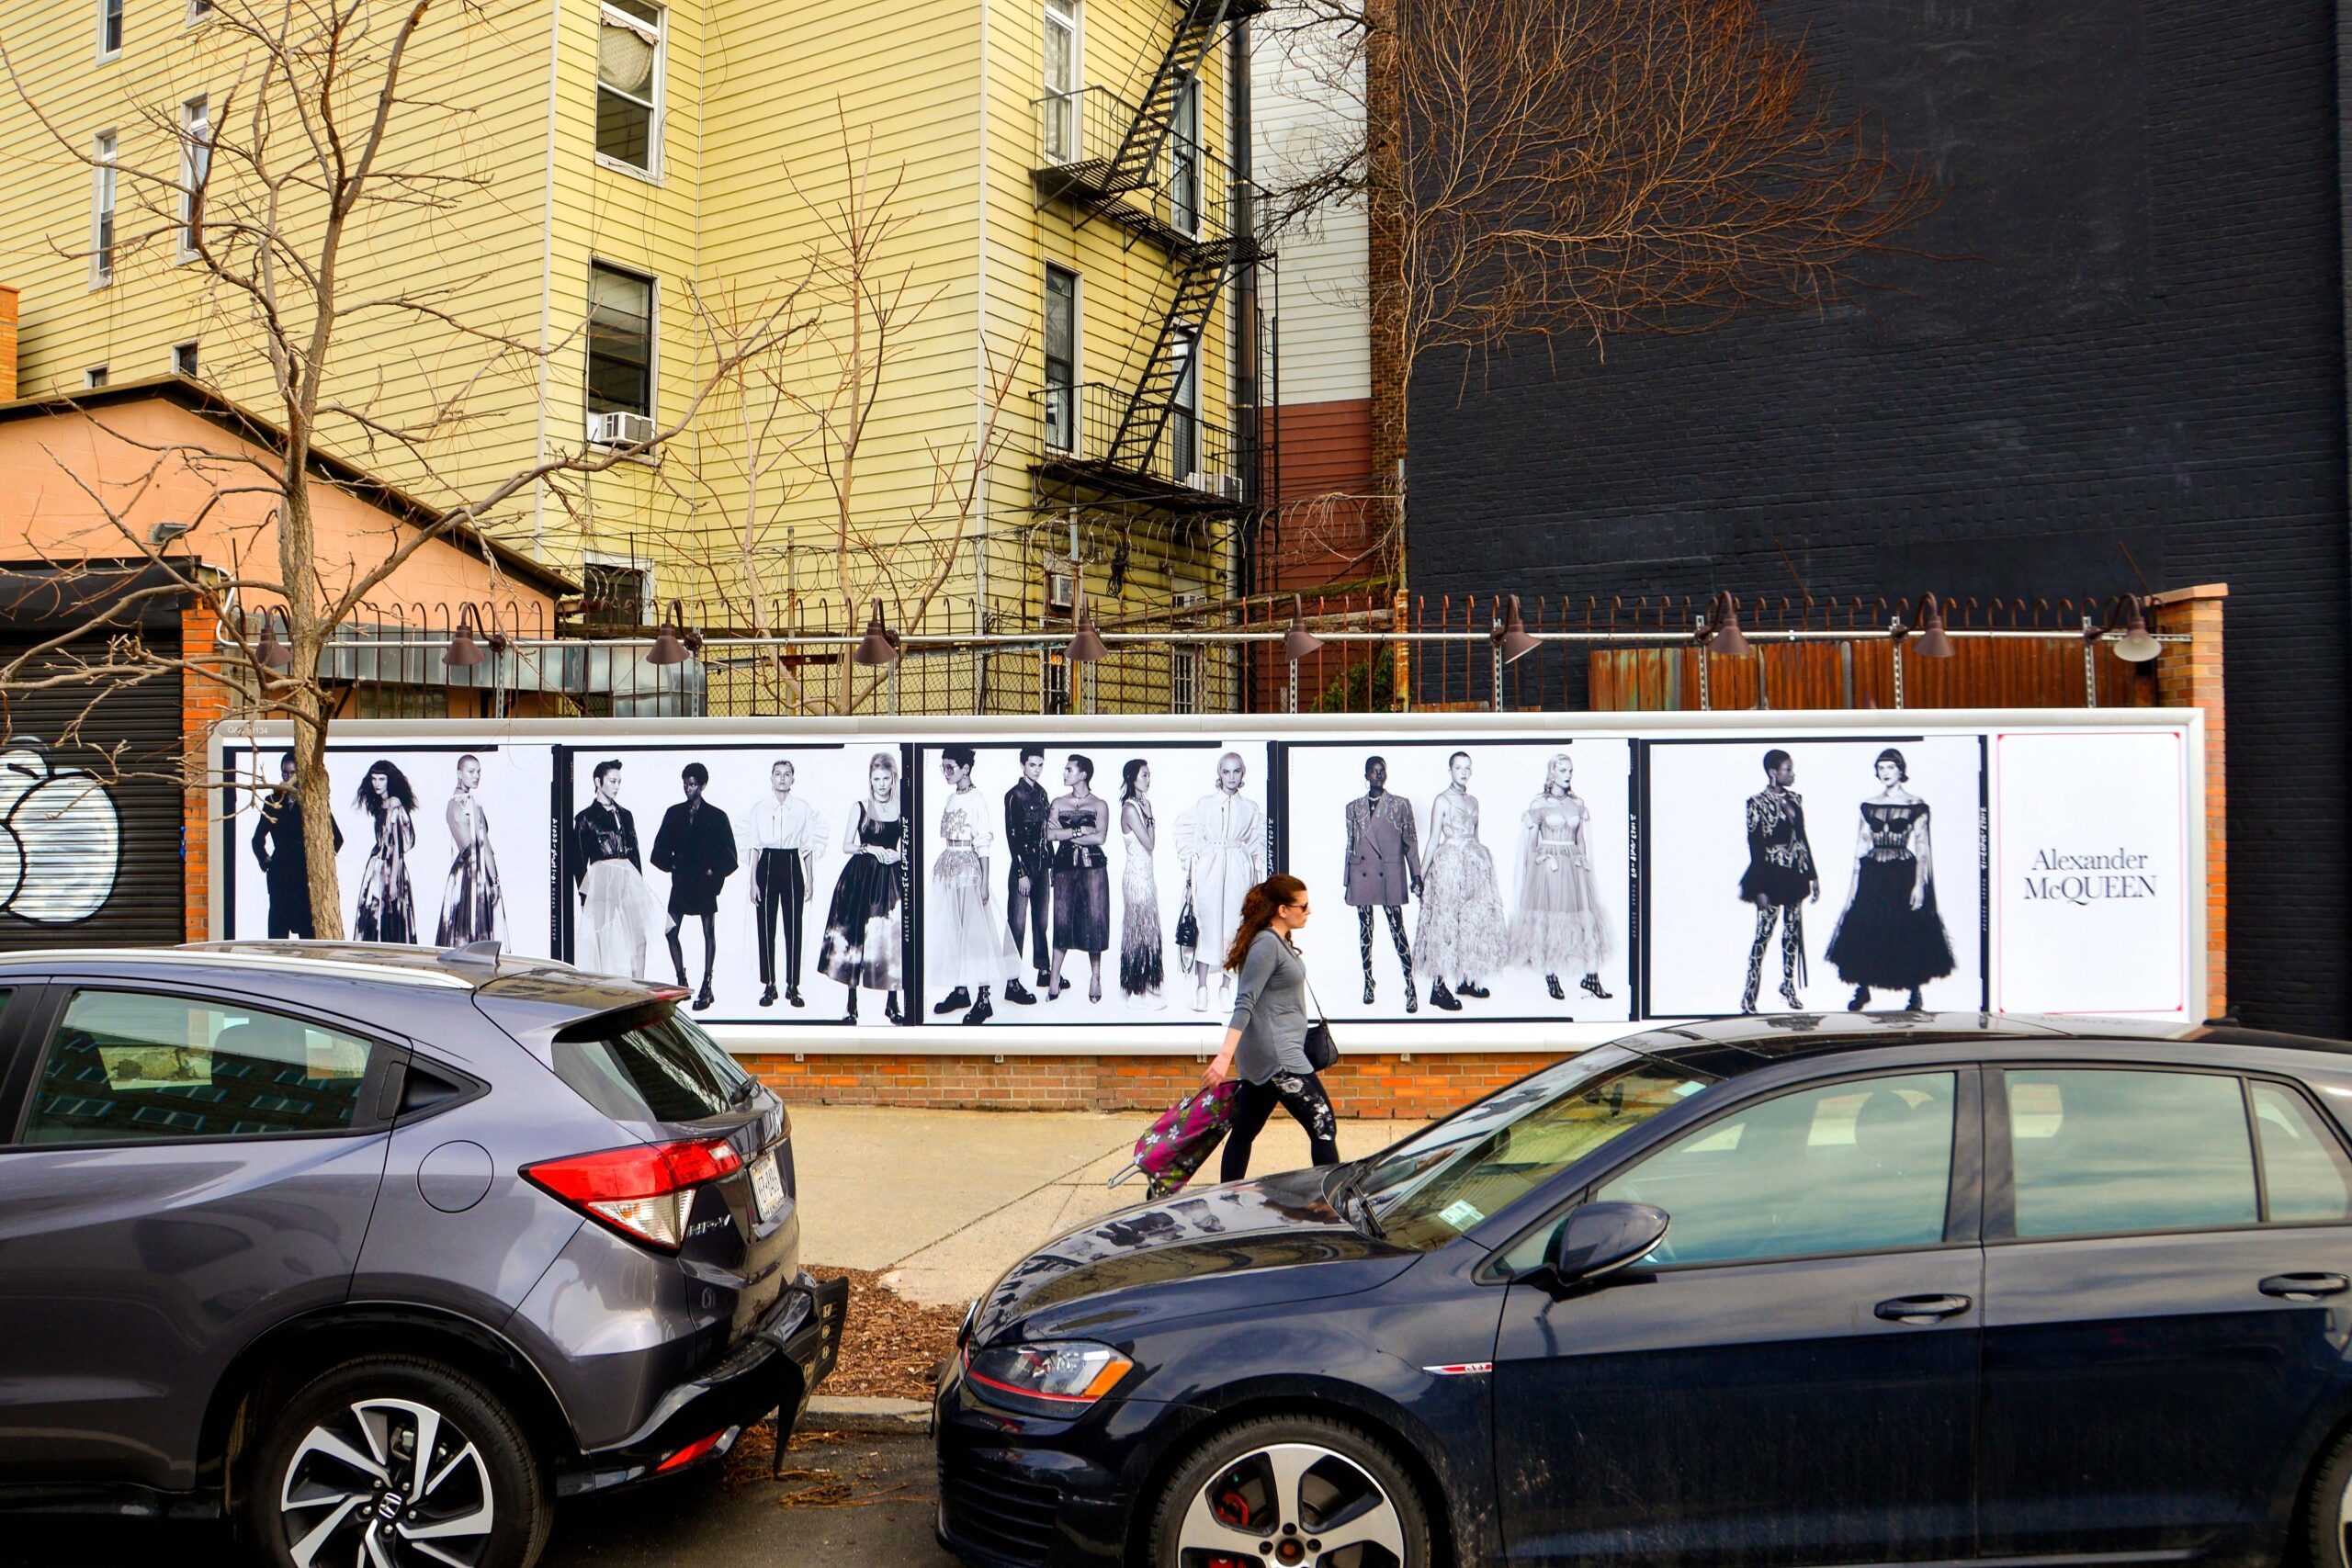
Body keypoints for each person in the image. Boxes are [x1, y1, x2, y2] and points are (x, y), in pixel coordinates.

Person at [1204, 874, 1339, 1181]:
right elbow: (1244, 1002)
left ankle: (1229, 1197)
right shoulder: (1266, 944)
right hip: (1281, 1058)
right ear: (1282, 909)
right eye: (1303, 906)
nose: (1309, 912)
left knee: (1243, 1132)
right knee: (1323, 1124)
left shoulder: (1277, 941)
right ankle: (1331, 1205)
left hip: (1270, 1056)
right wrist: (1224, 1058)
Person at [1824, 748, 1955, 1011]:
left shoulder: (1915, 805)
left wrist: (1920, 885)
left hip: (1901, 874)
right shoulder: (1869, 804)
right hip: (1873, 874)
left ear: (1901, 770)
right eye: (1881, 768)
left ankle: (1914, 992)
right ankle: (1863, 988)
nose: (1885, 773)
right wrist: (1853, 887)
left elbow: (1922, 849)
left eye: (1890, 768)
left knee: (1906, 930)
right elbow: (1860, 847)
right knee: (1866, 928)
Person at [1508, 751, 1611, 1003]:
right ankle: (1550, 972)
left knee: (1584, 920)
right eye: (1563, 770)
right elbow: (1531, 846)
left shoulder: (1577, 804)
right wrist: (1535, 868)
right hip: (1548, 868)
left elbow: (1580, 840)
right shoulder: (1538, 805)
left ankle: (1591, 975)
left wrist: (1584, 866)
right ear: (1552, 773)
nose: (1568, 776)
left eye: (1570, 771)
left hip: (1573, 866)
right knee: (1551, 920)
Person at [1413, 750, 1508, 1011]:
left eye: (1468, 768)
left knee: (1473, 921)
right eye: (1458, 767)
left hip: (1474, 863)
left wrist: (1483, 869)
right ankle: (1438, 987)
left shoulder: (1474, 802)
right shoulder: (1442, 800)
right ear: (1450, 769)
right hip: (1449, 865)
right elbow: (1433, 839)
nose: (1463, 772)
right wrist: (1420, 875)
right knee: (1445, 922)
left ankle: (1467, 979)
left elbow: (1476, 836)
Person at [817, 750, 908, 1024]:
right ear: (870, 779)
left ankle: (893, 1004)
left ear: (893, 779)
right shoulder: (859, 807)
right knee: (856, 937)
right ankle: (851, 1004)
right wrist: (870, 848)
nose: (881, 784)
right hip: (860, 878)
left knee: (890, 940)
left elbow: (913, 845)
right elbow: (846, 845)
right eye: (876, 778)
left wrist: (899, 855)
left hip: (890, 880)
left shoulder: (902, 808)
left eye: (885, 778)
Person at [1176, 751, 1265, 1013]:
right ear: (1219, 774)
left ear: (1243, 774)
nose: (1231, 777)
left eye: (1236, 771)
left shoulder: (1250, 808)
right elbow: (1194, 843)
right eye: (1226, 772)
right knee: (1206, 927)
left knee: (1233, 929)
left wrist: (1256, 882)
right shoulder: (1205, 805)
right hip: (1209, 869)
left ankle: (1226, 988)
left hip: (1238, 870)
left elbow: (1255, 846)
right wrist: (1192, 880)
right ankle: (1201, 987)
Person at [929, 746, 1008, 1025]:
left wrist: (985, 882)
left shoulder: (977, 799)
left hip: (968, 869)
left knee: (976, 934)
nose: (947, 773)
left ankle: (983, 998)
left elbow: (983, 843)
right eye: (944, 768)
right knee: (955, 930)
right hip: (949, 868)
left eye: (951, 767)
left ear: (966, 768)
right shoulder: (951, 798)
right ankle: (961, 990)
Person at [650, 761, 737, 1010]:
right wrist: (672, 865)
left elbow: (730, 854)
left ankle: (707, 985)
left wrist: (713, 871)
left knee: (708, 933)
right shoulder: (674, 813)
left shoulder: (717, 816)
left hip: (705, 883)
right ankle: (681, 981)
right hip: (681, 883)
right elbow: (658, 850)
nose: (688, 788)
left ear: (703, 785)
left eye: (693, 784)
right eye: (685, 784)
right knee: (670, 932)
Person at [1739, 748, 1819, 1012]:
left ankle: (1788, 985)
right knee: (1763, 935)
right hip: (1770, 873)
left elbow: (1803, 837)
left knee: (1792, 933)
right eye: (1787, 769)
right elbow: (1755, 845)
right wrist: (1760, 888)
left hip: (1795, 873)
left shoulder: (1796, 798)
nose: (1792, 774)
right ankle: (1749, 993)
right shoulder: (1756, 802)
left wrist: (1813, 875)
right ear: (1773, 772)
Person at [741, 759, 824, 1008]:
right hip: (767, 863)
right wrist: (753, 881)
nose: (782, 779)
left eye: (787, 774)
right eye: (778, 774)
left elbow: (807, 846)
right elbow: (754, 845)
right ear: (772, 779)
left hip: (790, 863)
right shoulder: (760, 808)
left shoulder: (802, 809)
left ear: (793, 780)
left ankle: (793, 985)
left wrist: (810, 879)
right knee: (766, 927)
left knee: (793, 927)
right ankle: (770, 985)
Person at [1342, 755, 1420, 1010]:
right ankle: (1368, 981)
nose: (1378, 774)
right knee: (1365, 931)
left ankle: (1410, 984)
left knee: (1398, 930)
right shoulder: (1353, 808)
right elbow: (1350, 844)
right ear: (1365, 776)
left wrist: (1416, 875)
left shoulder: (1400, 805)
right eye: (1373, 771)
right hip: (1362, 874)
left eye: (1382, 770)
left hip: (1389, 874)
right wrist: (1347, 880)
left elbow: (1410, 843)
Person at [571, 758, 652, 979]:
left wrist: (640, 888)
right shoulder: (585, 819)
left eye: (619, 782)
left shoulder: (626, 815)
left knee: (639, 937)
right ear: (598, 782)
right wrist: (584, 896)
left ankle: (638, 988)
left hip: (627, 879)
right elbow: (579, 862)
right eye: (612, 781)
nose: (617, 786)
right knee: (602, 938)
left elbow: (634, 853)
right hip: (601, 881)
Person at [251, 751, 341, 939]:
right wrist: (265, 860)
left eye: (293, 773)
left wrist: (319, 865)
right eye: (285, 773)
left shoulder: (312, 802)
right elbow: (257, 839)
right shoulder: (273, 802)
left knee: (307, 934)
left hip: (304, 876)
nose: (288, 777)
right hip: (280, 875)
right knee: (277, 933)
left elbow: (337, 838)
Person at [1045, 754, 1112, 1001]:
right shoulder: (1058, 802)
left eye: (1069, 769)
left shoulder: (1100, 804)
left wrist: (1066, 835)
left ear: (1083, 774)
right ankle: (1054, 979)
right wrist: (1079, 830)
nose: (1064, 773)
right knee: (1061, 920)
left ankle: (1096, 978)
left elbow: (1100, 838)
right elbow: (1050, 835)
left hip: (1094, 868)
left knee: (1095, 919)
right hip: (1063, 867)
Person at [434, 753, 505, 947]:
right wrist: (495, 881)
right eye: (471, 771)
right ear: (459, 773)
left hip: (458, 872)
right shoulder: (469, 803)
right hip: (476, 871)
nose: (476, 776)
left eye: (479, 772)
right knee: (477, 930)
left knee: (458, 928)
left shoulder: (451, 803)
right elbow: (484, 845)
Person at [1001, 746, 1050, 1004]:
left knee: (1041, 921)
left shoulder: (1042, 794)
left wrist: (1049, 867)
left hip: (1042, 866)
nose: (1037, 770)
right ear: (1022, 765)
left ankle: (1044, 970)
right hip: (1023, 866)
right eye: (1033, 765)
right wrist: (1021, 872)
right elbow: (1011, 836)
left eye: (1041, 765)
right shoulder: (1014, 796)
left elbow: (1046, 832)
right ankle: (1011, 982)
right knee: (1016, 924)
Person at [352, 760, 417, 943]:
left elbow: (398, 847)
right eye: (374, 779)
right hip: (377, 868)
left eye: (381, 779)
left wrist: (394, 881)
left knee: (388, 916)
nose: (377, 784)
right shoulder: (382, 805)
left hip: (389, 870)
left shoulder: (395, 806)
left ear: (390, 781)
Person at [1118, 760, 1165, 1010]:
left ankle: (1145, 985)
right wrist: (1149, 817)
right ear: (1132, 778)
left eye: (1149, 775)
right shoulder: (1130, 809)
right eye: (1144, 775)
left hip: (1146, 876)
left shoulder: (1143, 805)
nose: (1148, 779)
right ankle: (1136, 990)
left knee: (1148, 933)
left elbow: (1151, 842)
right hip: (1136, 878)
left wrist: (1150, 816)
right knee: (1137, 933)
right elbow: (1149, 843)